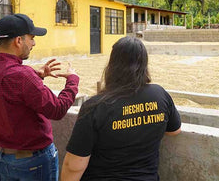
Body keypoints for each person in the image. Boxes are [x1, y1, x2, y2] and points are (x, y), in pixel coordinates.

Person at [0, 13, 79, 181]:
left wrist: (35, 76)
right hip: (33, 160)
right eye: (31, 38)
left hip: (2, 157)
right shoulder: (21, 76)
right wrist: (73, 80)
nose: (34, 43)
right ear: (18, 41)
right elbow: (57, 109)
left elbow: (9, 95)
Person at [61, 36, 181, 181]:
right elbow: (174, 130)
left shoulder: (95, 106)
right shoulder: (160, 94)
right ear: (144, 64)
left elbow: (74, 166)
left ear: (112, 64)